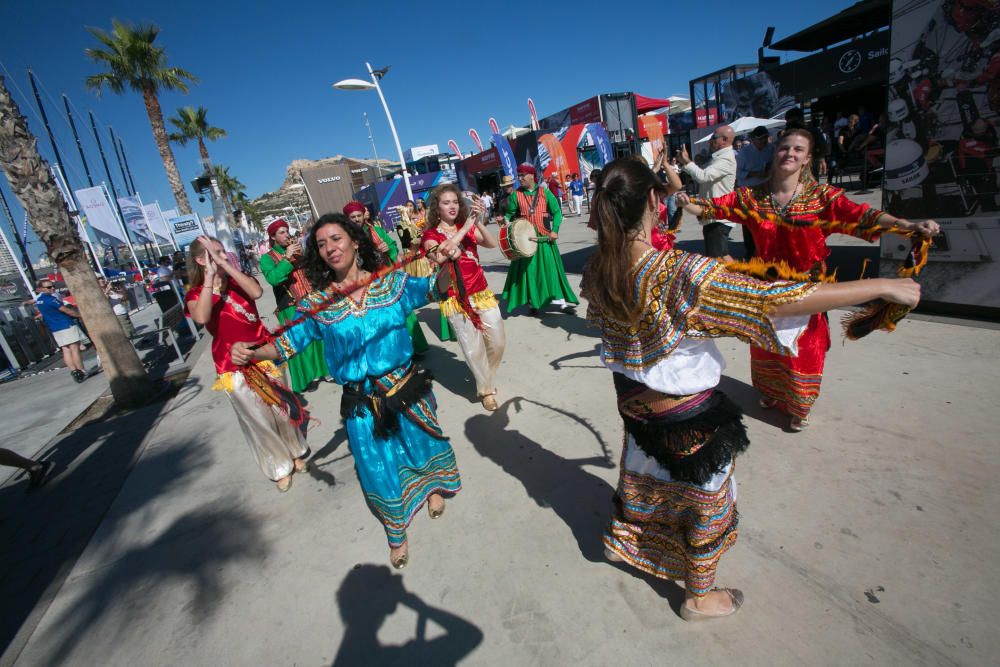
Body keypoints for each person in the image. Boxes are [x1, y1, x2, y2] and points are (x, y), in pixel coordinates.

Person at [584, 157, 923, 621]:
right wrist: (882, 286)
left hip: (637, 407)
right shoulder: (679, 272)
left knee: (645, 479)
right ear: (652, 200)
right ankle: (699, 596)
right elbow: (776, 301)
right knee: (706, 504)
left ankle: (625, 544)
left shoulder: (598, 267)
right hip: (686, 421)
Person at [230, 214, 461, 569]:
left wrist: (446, 262)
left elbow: (434, 289)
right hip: (363, 401)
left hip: (407, 386)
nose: (329, 249)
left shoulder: (392, 282)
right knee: (376, 466)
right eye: (321, 244)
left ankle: (431, 489)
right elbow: (288, 343)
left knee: (421, 445)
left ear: (355, 241)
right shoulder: (317, 305)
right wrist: (254, 351)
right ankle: (396, 532)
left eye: (336, 239)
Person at [677, 128, 940, 430]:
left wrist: (906, 224)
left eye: (798, 150)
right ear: (774, 153)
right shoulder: (752, 196)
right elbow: (713, 207)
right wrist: (686, 202)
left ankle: (799, 405)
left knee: (805, 351)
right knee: (766, 348)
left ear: (807, 159)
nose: (789, 153)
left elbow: (864, 216)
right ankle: (772, 395)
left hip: (808, 291)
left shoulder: (822, 198)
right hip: (766, 291)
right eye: (784, 148)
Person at [186, 235, 309, 493]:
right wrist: (209, 278)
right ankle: (278, 465)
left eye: (222, 251)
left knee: (281, 409)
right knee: (257, 418)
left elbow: (257, 292)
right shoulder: (197, 293)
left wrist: (225, 266)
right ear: (199, 259)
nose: (220, 256)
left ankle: (295, 451)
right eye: (213, 253)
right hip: (231, 365)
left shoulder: (238, 281)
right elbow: (201, 317)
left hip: (263, 352)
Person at [422, 184, 506, 411]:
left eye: (455, 202)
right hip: (455, 299)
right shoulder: (430, 235)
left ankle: (486, 377)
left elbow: (490, 243)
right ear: (436, 208)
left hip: (481, 293)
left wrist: (477, 220)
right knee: (473, 349)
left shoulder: (465, 226)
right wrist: (466, 225)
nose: (452, 206)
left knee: (497, 342)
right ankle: (486, 390)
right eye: (446, 202)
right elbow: (440, 256)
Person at [344, 201, 430, 355]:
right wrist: (372, 252)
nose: (356, 219)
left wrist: (388, 248)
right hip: (368, 282)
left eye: (358, 215)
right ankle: (397, 352)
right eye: (353, 217)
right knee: (384, 318)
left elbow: (393, 246)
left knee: (403, 309)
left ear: (363, 216)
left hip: (387, 275)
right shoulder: (346, 238)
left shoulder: (376, 230)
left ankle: (416, 347)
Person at [259, 218, 329, 392]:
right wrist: (286, 258)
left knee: (319, 336)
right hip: (290, 304)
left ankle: (325, 370)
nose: (286, 235)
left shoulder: (297, 249)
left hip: (311, 298)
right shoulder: (267, 258)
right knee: (297, 343)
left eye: (286, 231)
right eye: (281, 233)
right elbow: (273, 278)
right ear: (273, 237)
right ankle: (305, 380)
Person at [502, 163, 579, 315]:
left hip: (545, 239)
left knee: (552, 271)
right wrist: (506, 223)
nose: (520, 178)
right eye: (519, 175)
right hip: (526, 241)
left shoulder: (545, 192)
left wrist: (555, 230)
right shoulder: (516, 195)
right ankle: (533, 304)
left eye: (523, 175)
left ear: (531, 176)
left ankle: (562, 304)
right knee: (530, 273)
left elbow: (556, 212)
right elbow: (509, 215)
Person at [676, 125, 737, 258]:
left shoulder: (725, 159)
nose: (710, 141)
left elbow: (702, 177)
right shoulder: (719, 157)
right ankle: (733, 277)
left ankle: (736, 278)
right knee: (720, 254)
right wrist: (687, 163)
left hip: (718, 215)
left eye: (713, 138)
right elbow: (701, 173)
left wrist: (687, 161)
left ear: (724, 140)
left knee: (719, 256)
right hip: (713, 214)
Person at [34, 279, 87, 383]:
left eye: (52, 286)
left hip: (55, 328)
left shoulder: (39, 300)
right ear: (41, 289)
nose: (52, 288)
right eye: (49, 287)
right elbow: (66, 310)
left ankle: (73, 371)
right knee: (75, 349)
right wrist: (81, 315)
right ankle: (81, 370)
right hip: (66, 325)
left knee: (66, 350)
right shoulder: (51, 299)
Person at [785, 107, 829, 179]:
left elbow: (822, 147)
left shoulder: (812, 131)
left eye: (788, 120)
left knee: (811, 184)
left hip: (811, 163)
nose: (787, 123)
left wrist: (821, 159)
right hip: (796, 165)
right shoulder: (788, 133)